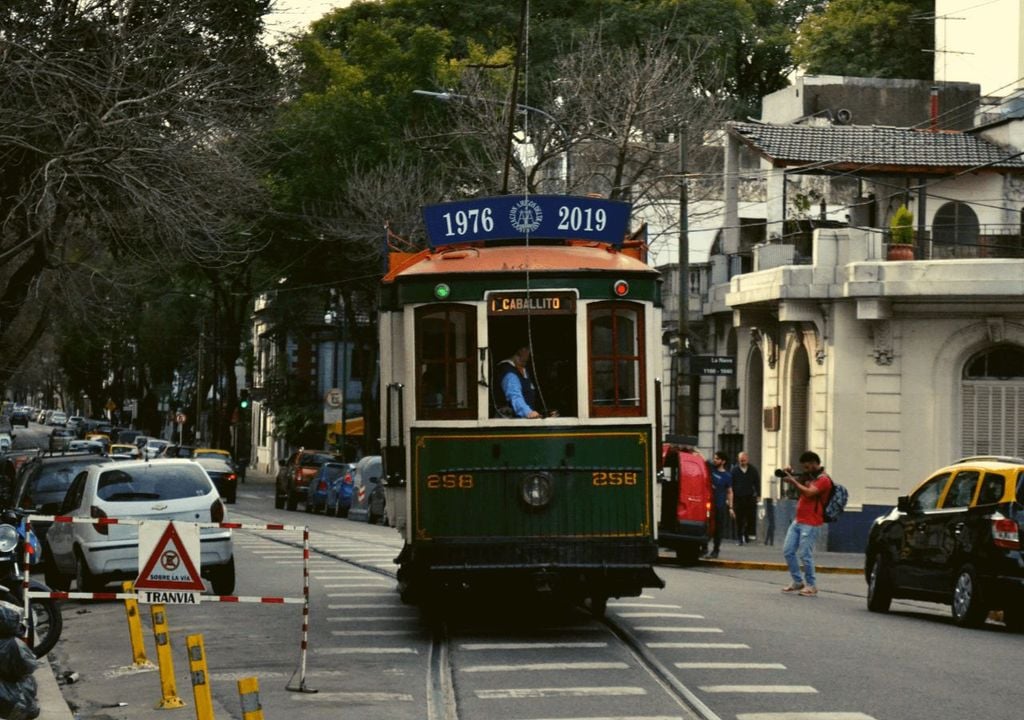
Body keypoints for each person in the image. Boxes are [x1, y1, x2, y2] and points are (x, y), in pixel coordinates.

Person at [780, 450, 833, 597]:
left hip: (812, 522)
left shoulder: (824, 480)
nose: (805, 469)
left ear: (815, 464)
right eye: (803, 467)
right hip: (798, 520)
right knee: (788, 551)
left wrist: (794, 482)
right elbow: (795, 482)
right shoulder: (808, 476)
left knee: (805, 554)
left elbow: (809, 492)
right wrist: (789, 474)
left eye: (807, 466)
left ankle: (811, 585)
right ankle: (798, 581)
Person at [497, 346, 542, 418]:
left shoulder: (523, 369)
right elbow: (514, 396)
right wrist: (528, 412)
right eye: (527, 349)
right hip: (511, 423)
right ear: (520, 350)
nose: (530, 352)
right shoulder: (509, 372)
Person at [705, 451, 734, 559]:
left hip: (719, 505)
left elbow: (730, 491)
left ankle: (716, 550)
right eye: (715, 458)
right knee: (706, 527)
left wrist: (731, 507)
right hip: (708, 503)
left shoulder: (727, 476)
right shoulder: (711, 468)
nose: (715, 460)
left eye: (717, 459)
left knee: (718, 528)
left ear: (723, 461)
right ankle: (703, 548)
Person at [730, 451, 760, 545]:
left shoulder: (752, 470)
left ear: (747, 460)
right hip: (738, 498)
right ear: (738, 460)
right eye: (741, 460)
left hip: (749, 497)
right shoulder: (734, 470)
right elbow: (731, 484)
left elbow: (757, 482)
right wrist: (730, 497)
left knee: (749, 518)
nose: (742, 462)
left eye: (744, 460)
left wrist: (758, 494)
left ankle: (746, 535)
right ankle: (739, 538)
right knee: (739, 519)